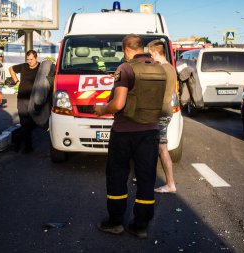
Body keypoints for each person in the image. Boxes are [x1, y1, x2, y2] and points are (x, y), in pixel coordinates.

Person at [94, 34, 164, 239]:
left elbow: (118, 104)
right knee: (146, 178)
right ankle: (140, 225)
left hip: (125, 131)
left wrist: (101, 109)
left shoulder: (125, 68)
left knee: (117, 176)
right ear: (141, 48)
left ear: (125, 50)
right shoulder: (158, 68)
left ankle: (115, 222)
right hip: (150, 131)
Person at [147, 40, 177, 194]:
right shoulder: (170, 68)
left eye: (150, 53)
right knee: (155, 146)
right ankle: (146, 177)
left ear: (155, 52)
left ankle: (170, 184)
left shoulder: (160, 69)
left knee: (162, 148)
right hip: (166, 111)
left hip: (161, 113)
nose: (149, 56)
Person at [9, 50, 40, 153]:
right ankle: (27, 147)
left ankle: (19, 140)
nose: (29, 61)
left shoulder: (41, 67)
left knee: (32, 123)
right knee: (24, 122)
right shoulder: (23, 66)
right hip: (22, 98)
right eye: (28, 59)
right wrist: (16, 81)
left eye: (31, 59)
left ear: (36, 58)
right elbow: (11, 69)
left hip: (34, 99)